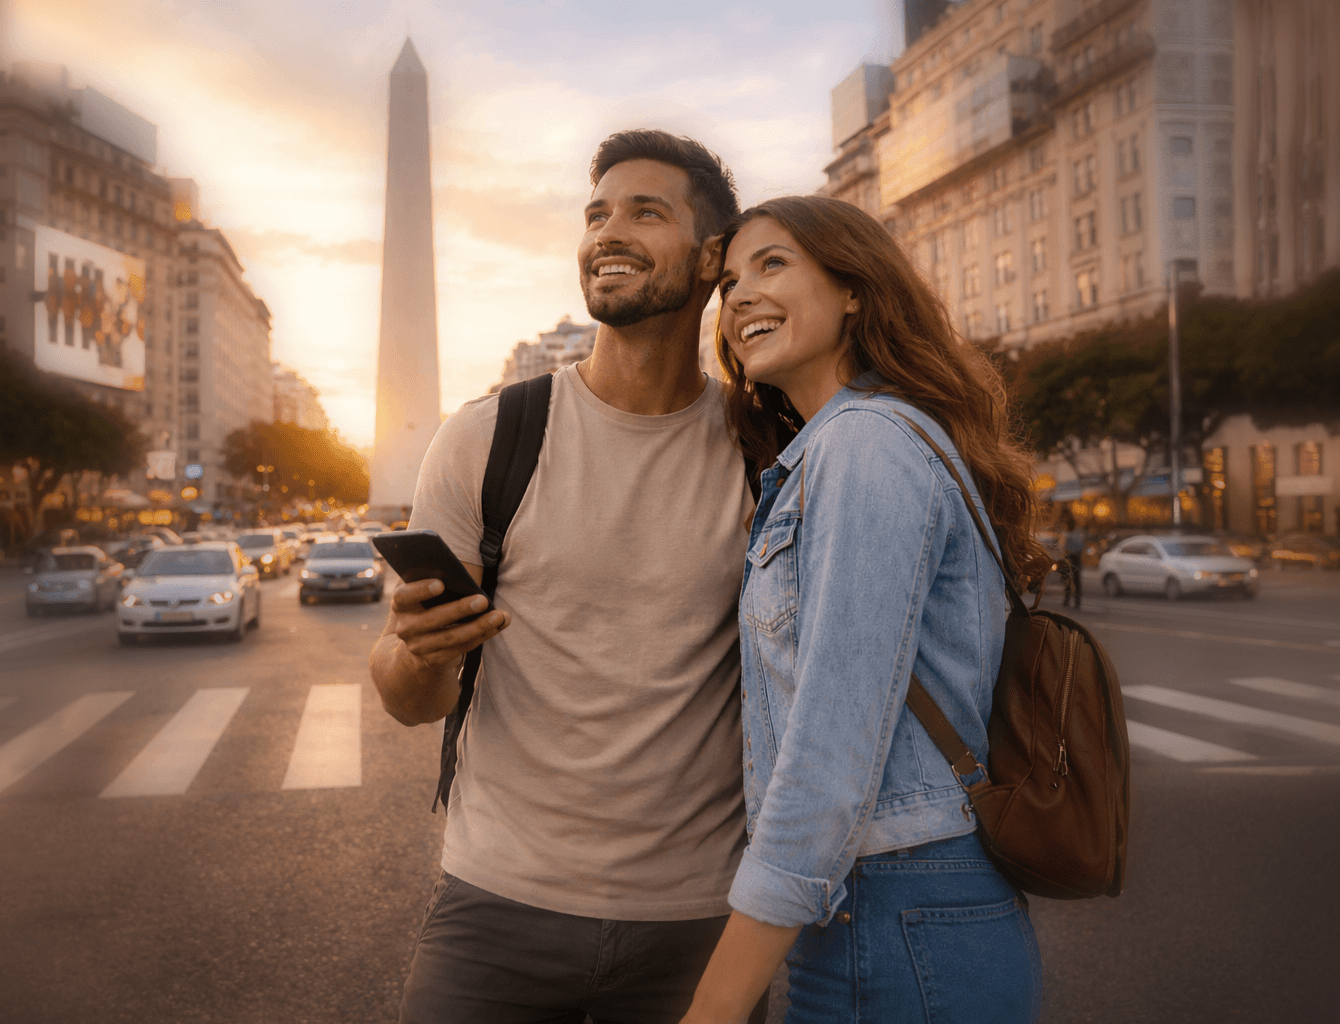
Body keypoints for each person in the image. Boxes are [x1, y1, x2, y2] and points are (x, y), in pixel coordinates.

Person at [370, 130, 765, 1024]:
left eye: (644, 212)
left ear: (712, 258)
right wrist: (418, 651)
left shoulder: (764, 447)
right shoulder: (485, 439)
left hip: (701, 918)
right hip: (495, 909)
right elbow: (408, 700)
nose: (607, 232)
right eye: (595, 214)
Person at [679, 195, 1046, 1024]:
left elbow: (830, 746)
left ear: (854, 288)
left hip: (890, 905)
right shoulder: (857, 443)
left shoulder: (863, 444)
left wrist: (717, 1002)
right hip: (901, 905)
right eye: (729, 281)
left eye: (772, 264)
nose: (737, 297)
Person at [1061, 515, 1089, 609]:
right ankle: (1077, 601)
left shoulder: (1067, 535)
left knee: (1068, 580)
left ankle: (1066, 599)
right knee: (1077, 581)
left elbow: (1063, 548)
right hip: (1077, 558)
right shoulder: (1078, 535)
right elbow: (1081, 548)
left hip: (1069, 558)